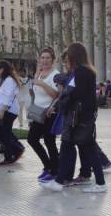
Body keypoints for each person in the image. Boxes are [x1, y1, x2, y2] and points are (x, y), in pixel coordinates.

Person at [44, 43, 106, 193]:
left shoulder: (82, 73)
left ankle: (100, 183)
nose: (66, 60)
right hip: (77, 118)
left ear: (74, 56)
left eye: (68, 57)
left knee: (89, 150)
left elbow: (73, 94)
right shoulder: (83, 71)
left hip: (80, 118)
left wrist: (60, 102)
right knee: (67, 147)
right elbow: (70, 90)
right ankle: (59, 181)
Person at [28, 47, 59, 182]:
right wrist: (36, 79)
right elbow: (33, 91)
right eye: (43, 58)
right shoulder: (39, 73)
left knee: (49, 142)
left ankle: (55, 171)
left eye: (48, 58)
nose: (45, 60)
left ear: (52, 60)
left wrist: (41, 84)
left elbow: (56, 94)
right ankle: (48, 166)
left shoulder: (55, 75)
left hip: (49, 113)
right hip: (37, 112)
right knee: (32, 139)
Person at [0, 60, 24, 166]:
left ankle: (12, 154)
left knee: (3, 133)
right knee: (3, 133)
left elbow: (8, 97)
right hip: (6, 110)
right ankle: (16, 150)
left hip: (8, 111)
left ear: (2, 69)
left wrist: (2, 111)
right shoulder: (6, 79)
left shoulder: (9, 80)